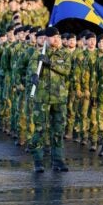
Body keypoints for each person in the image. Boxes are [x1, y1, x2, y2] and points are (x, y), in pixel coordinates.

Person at [29, 27, 71, 172]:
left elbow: (66, 70)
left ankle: (58, 160)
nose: (56, 40)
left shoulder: (64, 53)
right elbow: (32, 69)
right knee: (40, 130)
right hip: (42, 99)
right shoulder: (38, 53)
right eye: (53, 37)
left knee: (58, 130)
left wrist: (50, 64)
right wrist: (34, 75)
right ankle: (38, 161)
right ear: (46, 39)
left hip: (59, 99)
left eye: (58, 37)